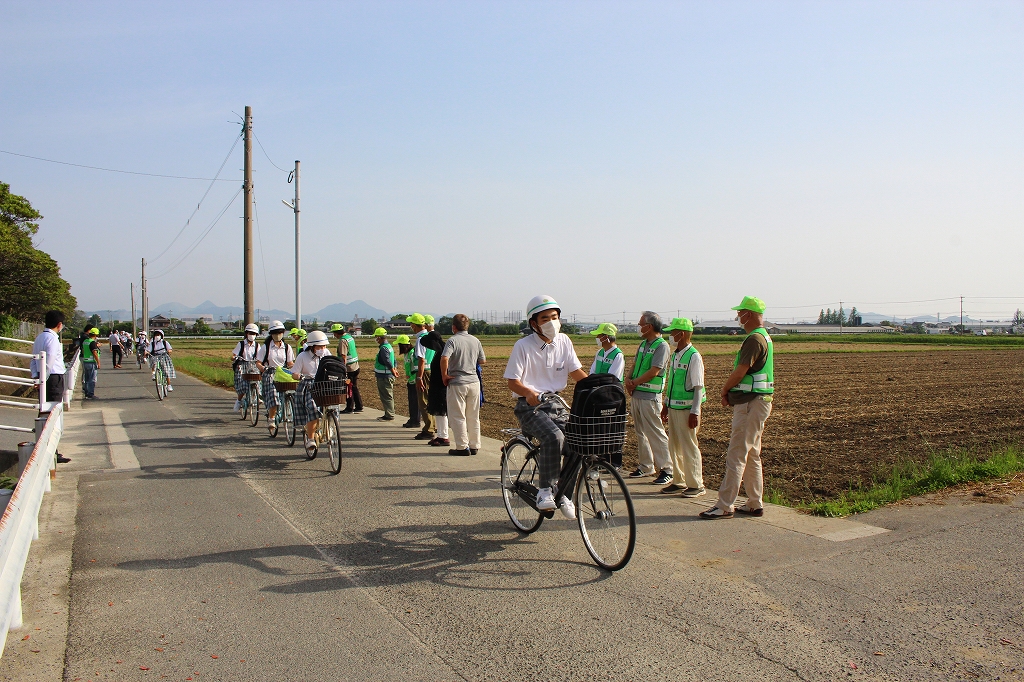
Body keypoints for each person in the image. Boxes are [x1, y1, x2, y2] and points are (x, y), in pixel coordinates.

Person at [503, 295, 587, 515]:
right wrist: (528, 393)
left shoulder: (564, 341)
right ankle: (544, 491)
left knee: (579, 442)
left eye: (555, 317)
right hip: (529, 407)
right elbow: (513, 380)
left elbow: (576, 372)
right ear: (534, 323)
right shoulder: (523, 345)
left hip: (556, 404)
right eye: (545, 318)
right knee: (554, 437)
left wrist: (596, 387)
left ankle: (565, 494)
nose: (552, 322)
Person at [700, 296, 774, 520]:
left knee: (737, 453)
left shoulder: (754, 339)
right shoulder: (765, 337)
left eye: (740, 313)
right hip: (758, 402)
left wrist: (725, 390)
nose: (738, 317)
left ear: (748, 314)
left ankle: (724, 505)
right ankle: (754, 502)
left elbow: (740, 371)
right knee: (752, 454)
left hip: (750, 403)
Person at [659, 317, 706, 498]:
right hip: (674, 407)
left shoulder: (694, 356)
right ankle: (679, 481)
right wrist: (666, 404)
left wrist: (695, 411)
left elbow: (698, 386)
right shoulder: (676, 355)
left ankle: (696, 484)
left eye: (673, 332)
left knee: (689, 446)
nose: (671, 336)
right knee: (675, 445)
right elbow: (672, 383)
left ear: (683, 334)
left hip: (687, 410)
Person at [624, 311, 673, 485]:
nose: (638, 327)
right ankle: (646, 466)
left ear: (649, 326)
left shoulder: (662, 346)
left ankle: (667, 469)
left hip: (650, 396)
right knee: (640, 432)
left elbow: (655, 371)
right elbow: (635, 364)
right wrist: (628, 380)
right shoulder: (643, 344)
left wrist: (634, 382)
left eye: (641, 324)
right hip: (637, 394)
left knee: (655, 432)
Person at [441, 314, 486, 456]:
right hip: (474, 382)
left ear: (454, 327)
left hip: (457, 381)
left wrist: (445, 375)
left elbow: (444, 358)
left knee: (458, 415)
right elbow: (482, 360)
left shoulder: (452, 340)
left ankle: (462, 446)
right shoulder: (475, 340)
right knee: (473, 415)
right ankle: (474, 445)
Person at [30, 311, 71, 463]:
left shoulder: (39, 337)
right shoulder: (53, 339)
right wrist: (44, 379)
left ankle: (48, 449)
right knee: (53, 414)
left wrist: (37, 377)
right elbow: (50, 361)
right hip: (53, 378)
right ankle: (53, 451)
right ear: (59, 325)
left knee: (44, 412)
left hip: (43, 377)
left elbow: (33, 360)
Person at [290, 330, 331, 456]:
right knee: (312, 408)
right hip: (308, 384)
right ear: (312, 346)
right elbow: (294, 373)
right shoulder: (303, 356)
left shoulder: (326, 353)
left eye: (324, 346)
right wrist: (298, 376)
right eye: (319, 346)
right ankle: (311, 438)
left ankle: (330, 426)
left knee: (332, 404)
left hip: (323, 384)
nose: (322, 349)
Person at [256, 321, 295, 434]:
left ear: (283, 333)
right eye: (275, 333)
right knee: (273, 395)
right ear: (271, 334)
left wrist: (294, 369)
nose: (278, 335)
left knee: (289, 392)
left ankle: (287, 410)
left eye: (280, 332)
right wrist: (263, 368)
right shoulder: (266, 347)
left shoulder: (287, 347)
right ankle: (271, 418)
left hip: (282, 373)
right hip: (270, 372)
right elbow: (258, 362)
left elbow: (290, 363)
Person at [406, 313, 434, 440]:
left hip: (424, 372)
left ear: (414, 326)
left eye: (411, 323)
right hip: (431, 370)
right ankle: (434, 426)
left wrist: (418, 377)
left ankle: (428, 429)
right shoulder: (430, 336)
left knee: (423, 401)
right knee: (431, 400)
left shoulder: (421, 339)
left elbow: (421, 360)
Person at [421, 326, 449, 447]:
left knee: (441, 412)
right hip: (438, 385)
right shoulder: (442, 351)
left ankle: (444, 436)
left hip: (440, 386)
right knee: (439, 412)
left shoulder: (442, 353)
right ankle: (441, 435)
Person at [331, 324, 363, 414]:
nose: (334, 335)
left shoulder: (342, 341)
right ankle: (359, 405)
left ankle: (349, 408)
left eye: (334, 333)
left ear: (336, 333)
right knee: (354, 387)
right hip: (355, 366)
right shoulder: (349, 337)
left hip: (349, 369)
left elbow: (343, 356)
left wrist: (343, 369)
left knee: (348, 388)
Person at [231, 323, 261, 412]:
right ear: (246, 334)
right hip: (242, 365)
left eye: (254, 334)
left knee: (257, 380)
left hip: (253, 365)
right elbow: (233, 355)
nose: (252, 335)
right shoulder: (241, 344)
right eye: (250, 333)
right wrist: (234, 357)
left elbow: (260, 356)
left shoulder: (257, 345)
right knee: (242, 384)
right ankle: (239, 400)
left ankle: (256, 397)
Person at [372, 328, 398, 421]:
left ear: (379, 337)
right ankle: (388, 413)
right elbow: (394, 359)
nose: (375, 339)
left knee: (386, 396)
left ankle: (389, 415)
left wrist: (392, 370)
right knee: (387, 395)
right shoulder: (389, 346)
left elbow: (387, 360)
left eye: (376, 337)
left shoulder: (383, 348)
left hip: (384, 376)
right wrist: (395, 368)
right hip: (387, 374)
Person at [395, 334, 420, 428]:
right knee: (411, 401)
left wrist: (414, 378)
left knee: (415, 401)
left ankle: (415, 420)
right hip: (410, 380)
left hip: (414, 381)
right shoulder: (407, 354)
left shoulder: (413, 353)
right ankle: (412, 418)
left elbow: (416, 367)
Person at [81, 327, 101, 399]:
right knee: (92, 379)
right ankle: (90, 394)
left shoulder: (85, 341)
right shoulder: (92, 342)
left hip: (85, 361)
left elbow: (83, 350)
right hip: (92, 362)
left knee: (87, 378)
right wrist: (98, 362)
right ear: (95, 335)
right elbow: (94, 353)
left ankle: (87, 393)